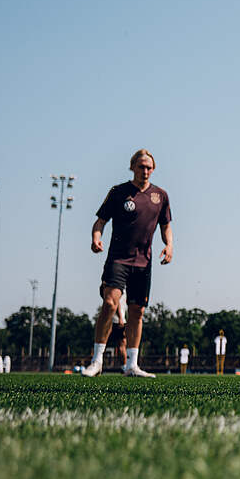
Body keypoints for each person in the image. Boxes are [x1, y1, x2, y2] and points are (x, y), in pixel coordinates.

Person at [80, 149, 174, 379]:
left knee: (137, 311)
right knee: (111, 304)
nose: (145, 171)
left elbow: (166, 226)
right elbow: (100, 221)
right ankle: (97, 361)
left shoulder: (160, 196)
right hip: (118, 259)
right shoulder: (118, 192)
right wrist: (96, 238)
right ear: (132, 167)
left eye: (149, 167)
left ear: (154, 169)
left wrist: (169, 245)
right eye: (141, 166)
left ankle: (132, 365)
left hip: (144, 262)